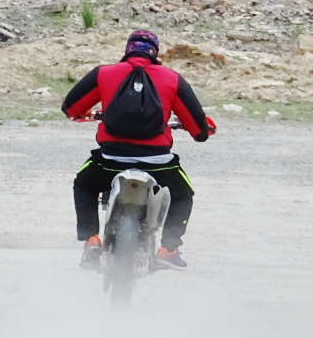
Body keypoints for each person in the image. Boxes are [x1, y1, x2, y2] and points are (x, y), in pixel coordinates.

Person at [61, 29, 214, 270]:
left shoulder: (104, 74)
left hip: (110, 161)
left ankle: (91, 240)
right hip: (159, 163)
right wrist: (196, 130)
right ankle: (168, 249)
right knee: (183, 193)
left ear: (127, 50)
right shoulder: (172, 79)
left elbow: (70, 108)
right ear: (155, 52)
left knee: (84, 183)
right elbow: (199, 131)